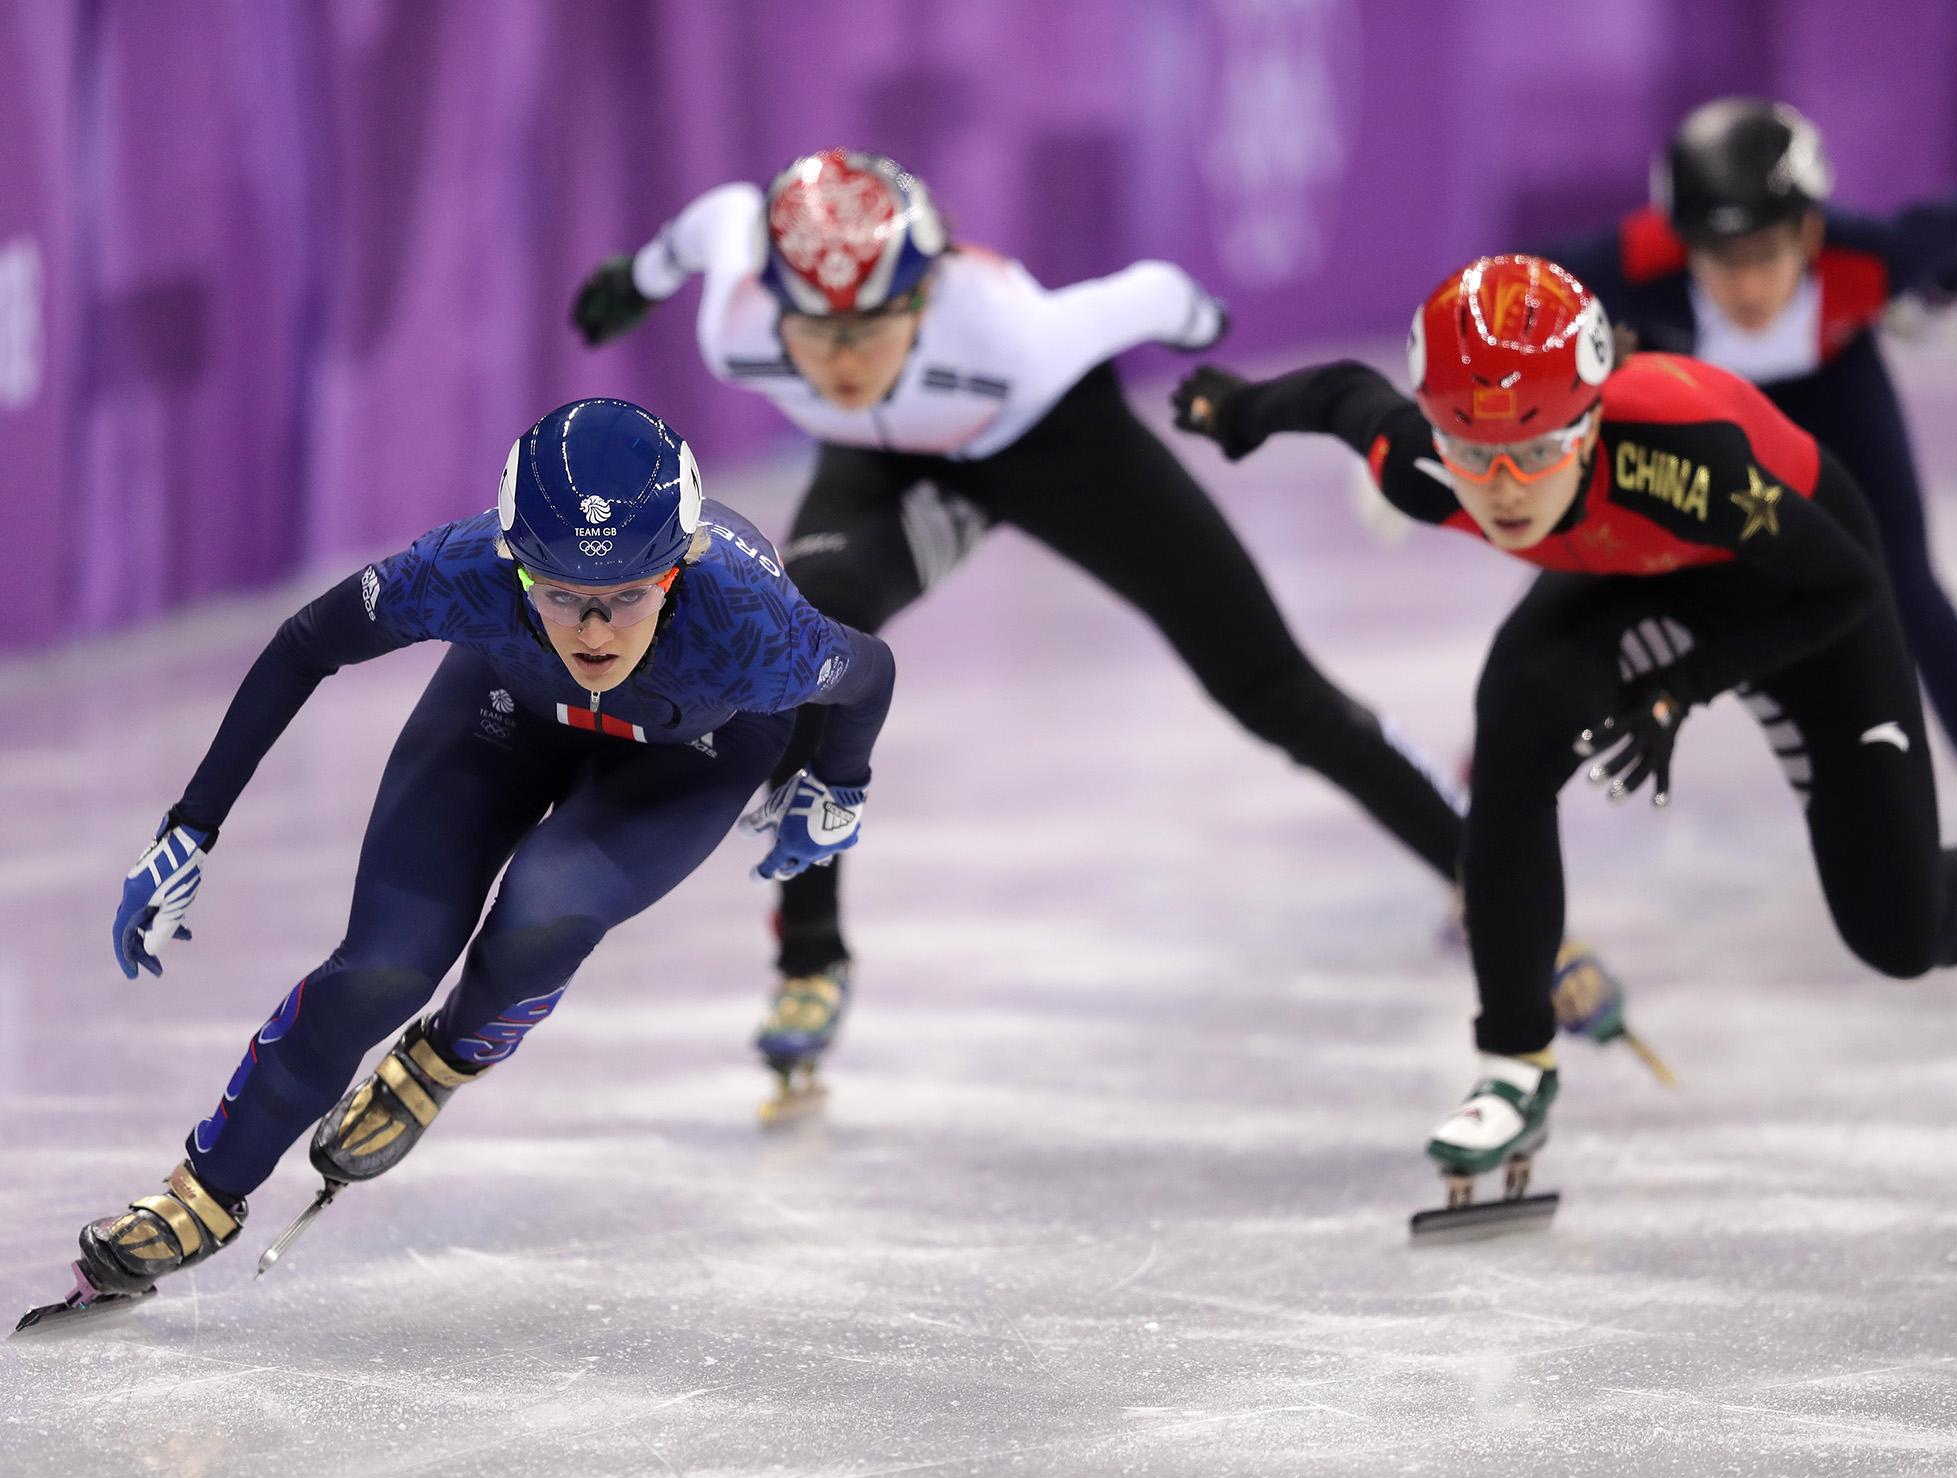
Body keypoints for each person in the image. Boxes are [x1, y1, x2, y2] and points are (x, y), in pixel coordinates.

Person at [571, 149, 1621, 1116]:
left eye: (873, 328)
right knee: (798, 659)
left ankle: (1481, 880)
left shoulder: (1009, 334)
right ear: (777, 311)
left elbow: (1147, 294)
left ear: (927, 295)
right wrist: (639, 273)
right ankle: (810, 960)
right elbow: (716, 222)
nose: (843, 362)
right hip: (888, 470)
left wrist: (1199, 320)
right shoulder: (739, 325)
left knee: (1271, 690)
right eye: (819, 336)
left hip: (1052, 442)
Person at [1172, 254, 1957, 1208]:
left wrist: (1685, 686)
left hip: (1792, 587)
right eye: (1472, 452)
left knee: (1897, 933)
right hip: (1628, 567)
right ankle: (1515, 1064)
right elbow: (1345, 392)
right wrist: (1240, 415)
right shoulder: (1427, 466)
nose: (1504, 490)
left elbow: (1848, 585)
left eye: (1535, 449)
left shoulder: (1684, 457)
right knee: (1513, 721)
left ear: (1591, 422)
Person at [21, 398, 893, 1330]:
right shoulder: (468, 569)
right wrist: (190, 827)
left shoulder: (749, 628)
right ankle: (203, 1190)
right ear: (515, 563)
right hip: (507, 709)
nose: (594, 631)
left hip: (695, 748)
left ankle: (442, 1061)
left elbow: (868, 671)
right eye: (559, 593)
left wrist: (840, 785)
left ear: (679, 569)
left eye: (629, 594)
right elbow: (304, 645)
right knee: (381, 968)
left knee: (542, 914)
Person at [1536, 97, 1957, 883]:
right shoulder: (1630, 265)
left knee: (1909, 595)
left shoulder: (1867, 257)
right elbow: (1505, 293)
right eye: (1720, 256)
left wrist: (1938, 295)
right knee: (1569, 596)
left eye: (1768, 252)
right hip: (1696, 408)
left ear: (1811, 231)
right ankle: (1480, 840)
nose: (1746, 284)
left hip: (1833, 397)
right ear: (1682, 244)